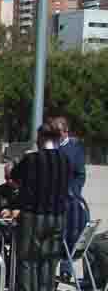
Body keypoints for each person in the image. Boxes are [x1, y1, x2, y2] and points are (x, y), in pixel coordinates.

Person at [10, 121, 70, 291]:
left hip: (33, 216)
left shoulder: (32, 159)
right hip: (57, 217)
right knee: (48, 260)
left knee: (27, 259)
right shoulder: (65, 160)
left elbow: (14, 175)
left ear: (41, 138)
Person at [52, 115, 89, 273]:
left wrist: (73, 192)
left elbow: (80, 175)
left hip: (69, 200)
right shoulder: (50, 147)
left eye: (58, 132)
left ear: (66, 131)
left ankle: (66, 268)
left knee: (68, 230)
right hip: (51, 199)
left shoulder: (75, 149)